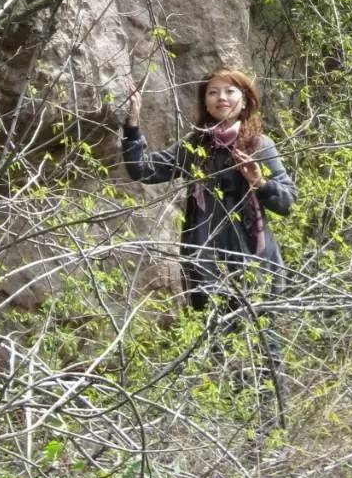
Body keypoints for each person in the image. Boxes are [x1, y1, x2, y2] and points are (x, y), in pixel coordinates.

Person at [121, 67, 296, 417]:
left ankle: (271, 431)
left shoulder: (259, 146)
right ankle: (234, 433)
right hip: (206, 266)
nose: (221, 99)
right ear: (205, 101)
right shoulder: (196, 147)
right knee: (221, 352)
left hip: (255, 266)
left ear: (245, 100)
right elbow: (144, 169)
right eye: (213, 92)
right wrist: (132, 124)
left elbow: (287, 202)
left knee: (264, 352)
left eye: (230, 92)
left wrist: (260, 182)